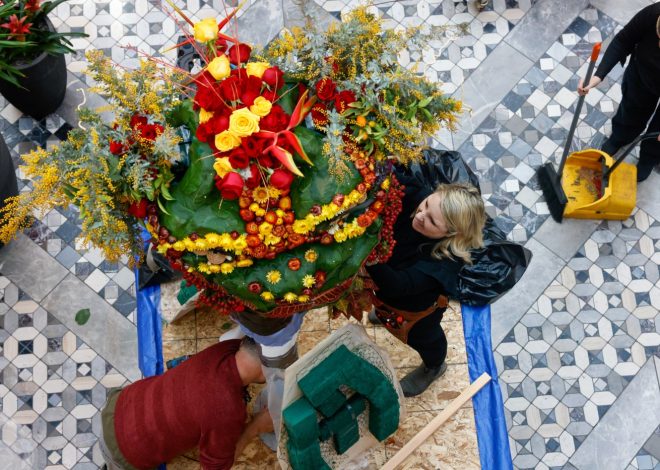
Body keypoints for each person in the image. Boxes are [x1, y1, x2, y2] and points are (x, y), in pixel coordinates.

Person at [366, 181, 487, 397]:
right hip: (386, 288)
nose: (421, 216)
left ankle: (434, 367)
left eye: (432, 220)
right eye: (427, 205)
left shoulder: (443, 263)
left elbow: (397, 285)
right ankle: (384, 313)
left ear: (451, 233)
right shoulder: (421, 200)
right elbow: (396, 182)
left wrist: (370, 257)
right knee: (384, 305)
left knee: (426, 339)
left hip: (416, 310)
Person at [99, 338, 273, 470]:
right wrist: (255, 427)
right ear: (267, 370)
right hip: (124, 450)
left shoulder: (228, 347)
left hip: (118, 405)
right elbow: (216, 467)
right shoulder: (227, 411)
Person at [578, 3, 660, 182]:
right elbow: (623, 40)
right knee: (632, 108)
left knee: (658, 132)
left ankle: (649, 156)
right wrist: (598, 76)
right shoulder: (653, 14)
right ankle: (622, 135)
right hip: (642, 74)